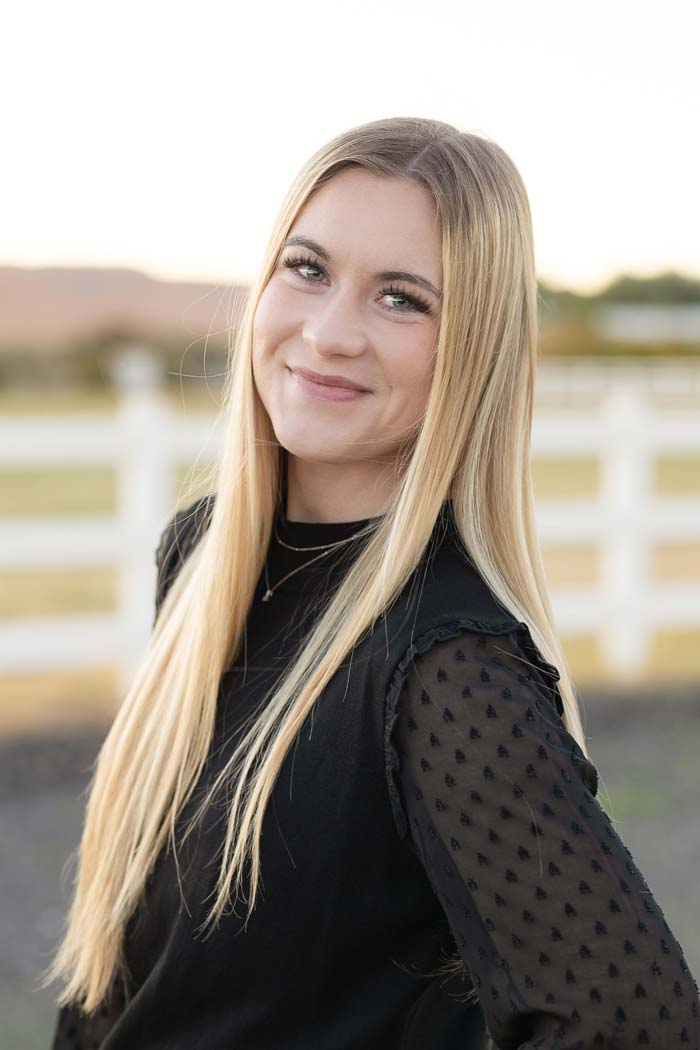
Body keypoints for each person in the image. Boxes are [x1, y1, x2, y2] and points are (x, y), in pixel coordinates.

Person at [45, 117, 699, 1049]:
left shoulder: (448, 667)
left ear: (472, 349)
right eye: (307, 269)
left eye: (401, 299)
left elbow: (639, 1024)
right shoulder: (200, 559)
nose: (329, 332)